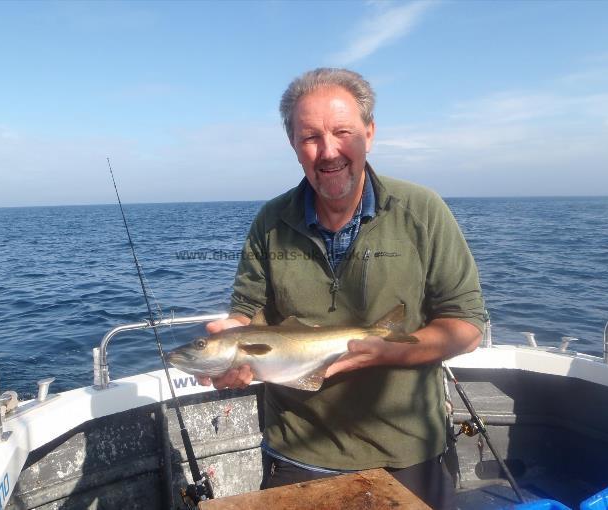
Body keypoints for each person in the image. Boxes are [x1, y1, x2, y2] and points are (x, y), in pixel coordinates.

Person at [197, 68, 484, 509]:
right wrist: (228, 339)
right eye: (310, 137)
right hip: (297, 454)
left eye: (342, 132)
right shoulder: (270, 223)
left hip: (408, 452)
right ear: (293, 146)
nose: (328, 151)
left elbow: (466, 325)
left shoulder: (422, 211)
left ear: (369, 134)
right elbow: (247, 310)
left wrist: (395, 351)